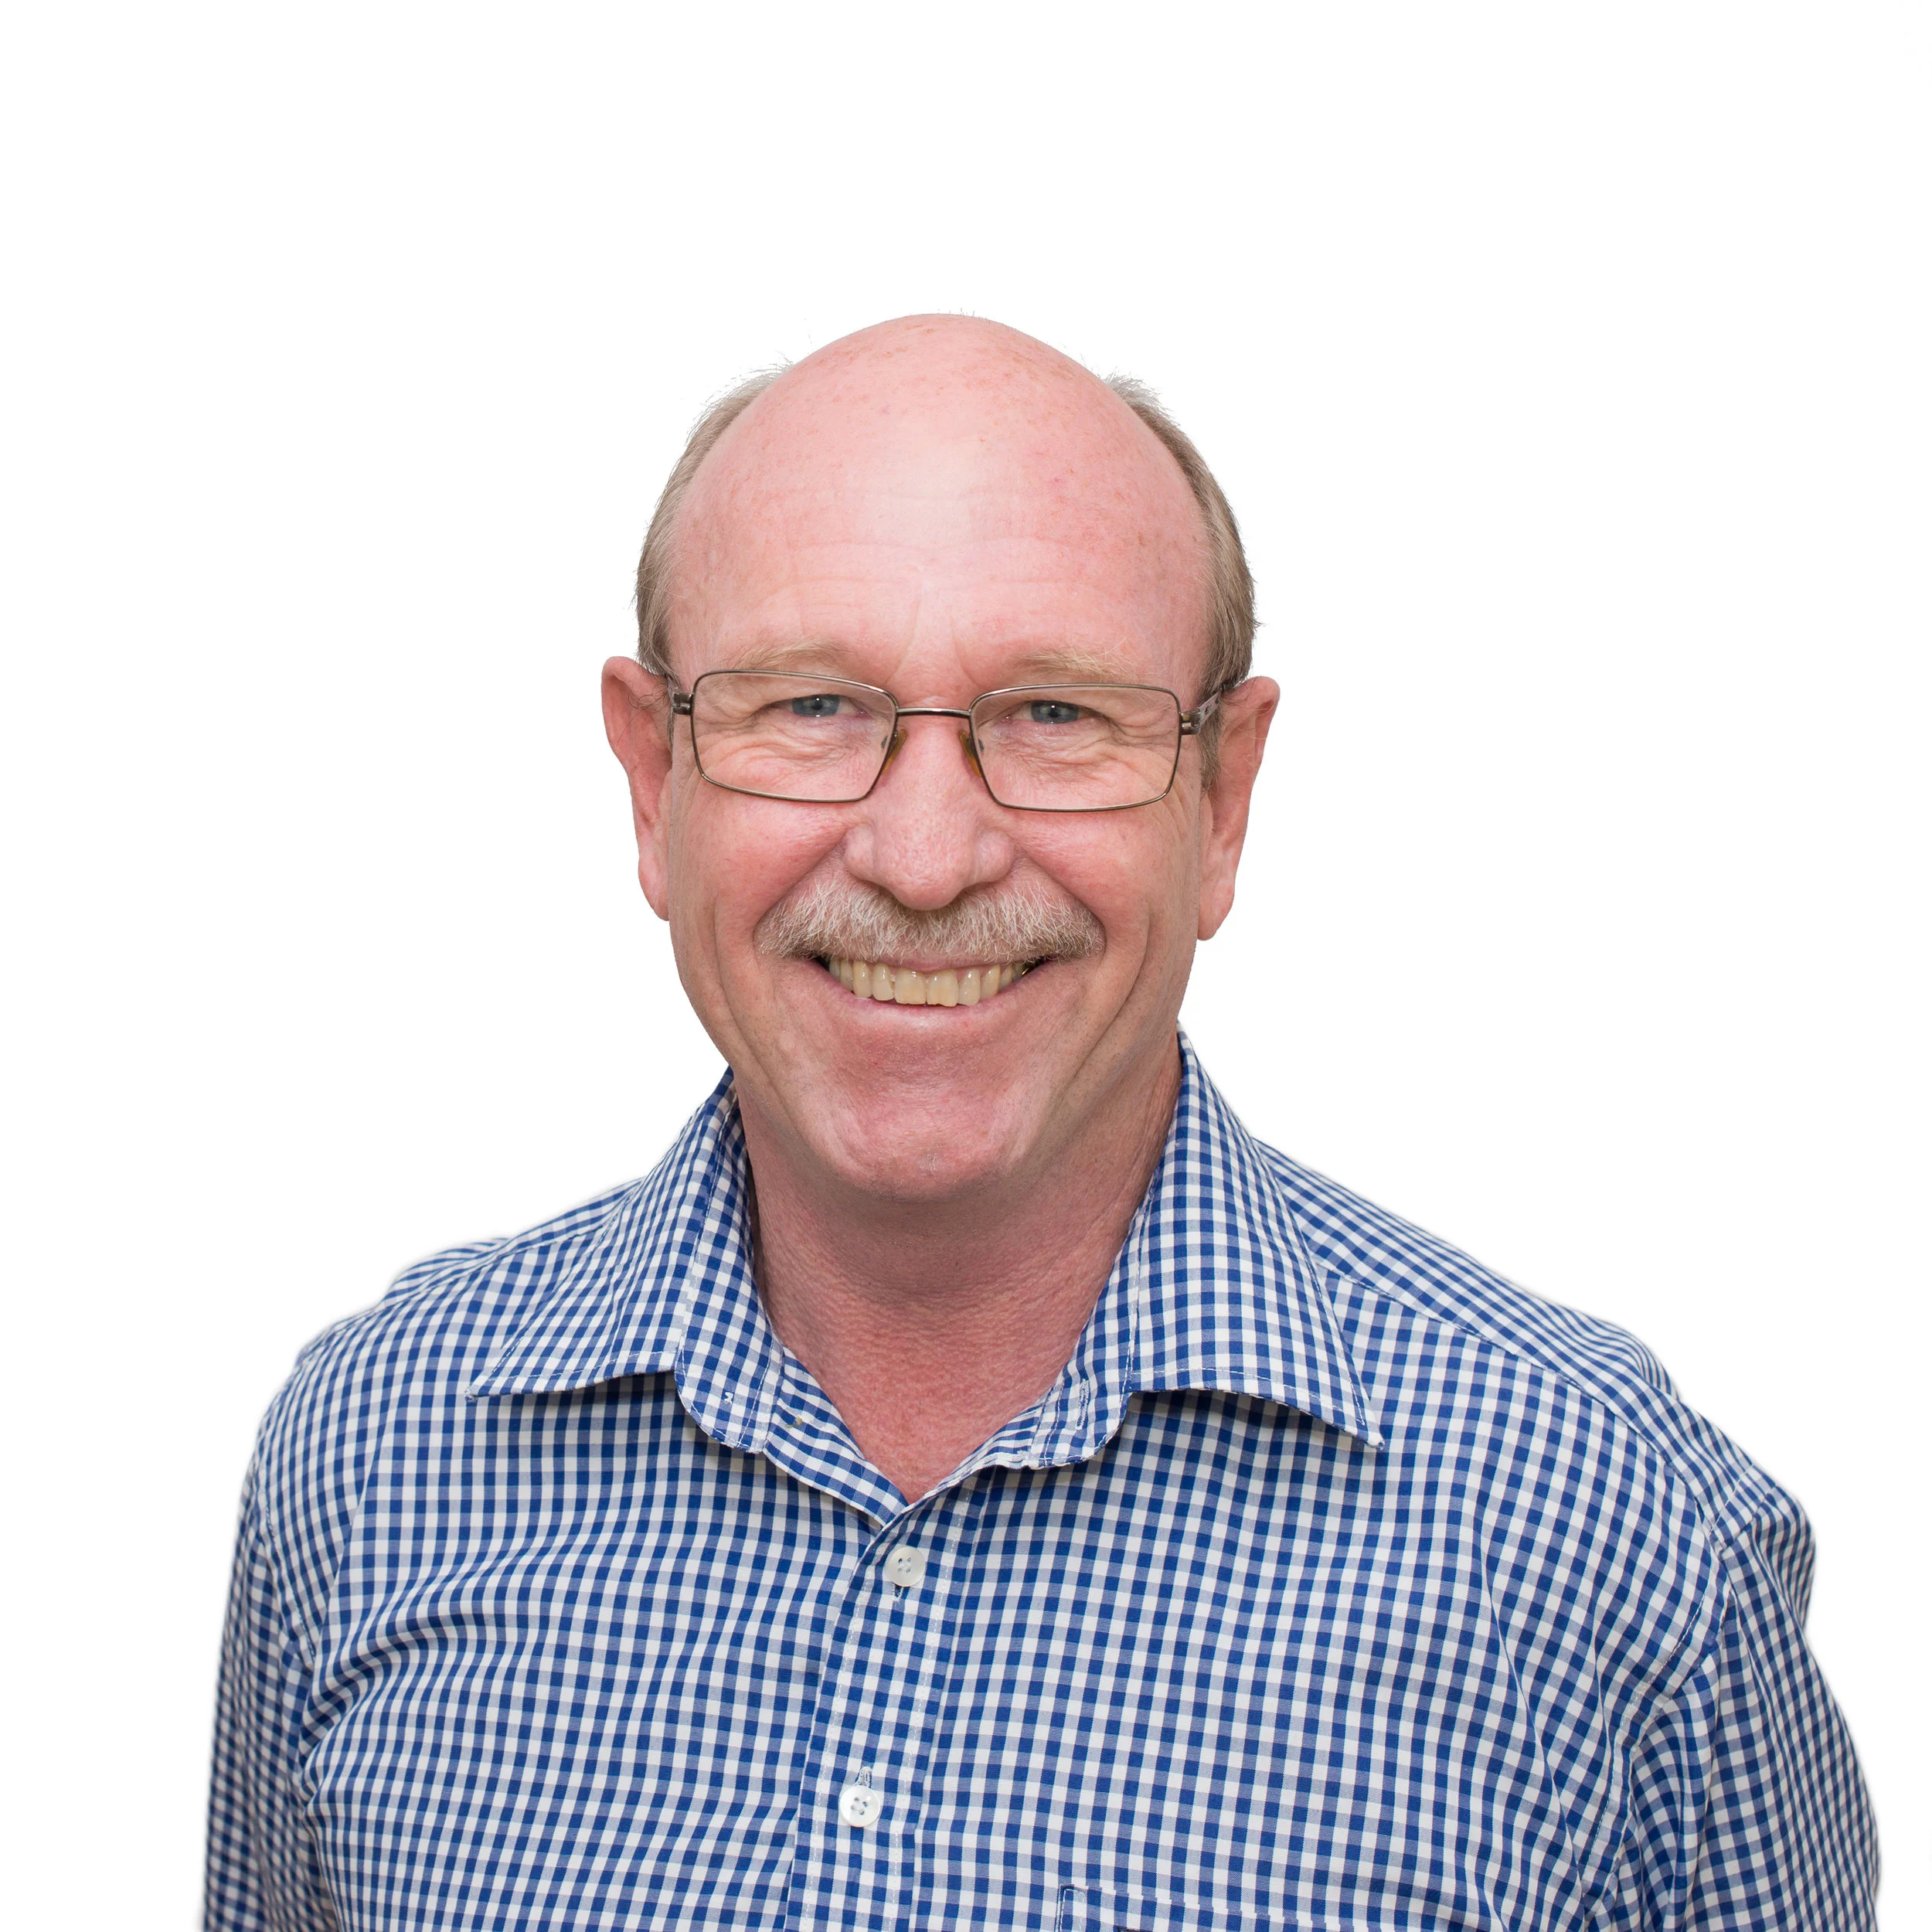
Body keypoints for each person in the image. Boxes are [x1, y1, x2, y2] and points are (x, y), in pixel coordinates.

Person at [206, 316, 1877, 1931]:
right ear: (654, 784)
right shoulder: (372, 1455)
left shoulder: (1609, 1537)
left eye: (1056, 715)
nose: (925, 857)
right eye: (811, 707)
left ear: (1221, 800)